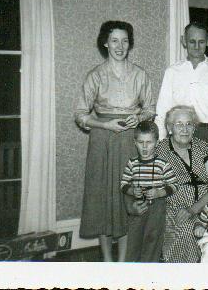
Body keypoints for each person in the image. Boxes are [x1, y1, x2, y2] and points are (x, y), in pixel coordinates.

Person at [74, 20, 155, 262]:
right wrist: (104, 124)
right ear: (105, 43)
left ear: (130, 44)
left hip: (131, 141)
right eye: (115, 40)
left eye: (125, 40)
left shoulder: (140, 74)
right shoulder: (96, 75)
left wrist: (138, 116)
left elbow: (150, 109)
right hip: (102, 141)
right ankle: (108, 261)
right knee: (101, 199)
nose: (120, 46)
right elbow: (80, 115)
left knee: (127, 196)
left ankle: (123, 261)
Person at [155, 22, 208, 164]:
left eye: (201, 42)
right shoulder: (172, 72)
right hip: (180, 134)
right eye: (192, 41)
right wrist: (161, 143)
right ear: (183, 41)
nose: (197, 47)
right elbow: (162, 111)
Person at [156, 105, 208, 262]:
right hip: (175, 208)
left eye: (189, 124)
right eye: (179, 124)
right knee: (186, 230)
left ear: (194, 127)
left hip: (206, 205)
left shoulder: (203, 147)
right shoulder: (160, 150)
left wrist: (194, 209)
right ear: (170, 128)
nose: (184, 129)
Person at [120, 121, 178, 262]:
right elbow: (123, 184)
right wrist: (133, 191)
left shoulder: (163, 164)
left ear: (157, 142)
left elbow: (173, 185)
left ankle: (149, 267)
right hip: (138, 206)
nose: (145, 147)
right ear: (135, 142)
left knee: (152, 239)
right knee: (134, 239)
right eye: (141, 142)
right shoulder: (132, 163)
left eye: (149, 142)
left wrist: (159, 193)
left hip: (156, 208)